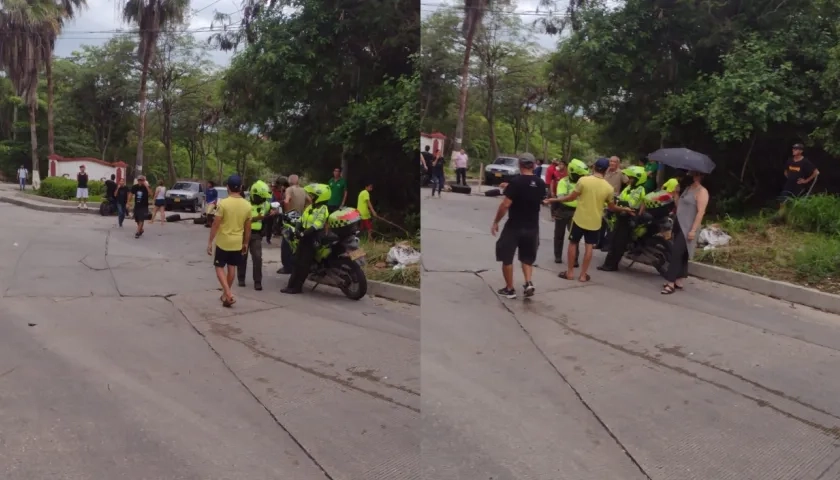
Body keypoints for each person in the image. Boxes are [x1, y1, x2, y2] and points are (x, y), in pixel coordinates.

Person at [546, 158, 634, 282]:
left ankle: (570, 273)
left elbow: (570, 198)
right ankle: (583, 275)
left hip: (579, 219)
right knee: (588, 247)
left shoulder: (583, 180)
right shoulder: (609, 188)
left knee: (573, 243)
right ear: (606, 170)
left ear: (594, 167)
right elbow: (612, 207)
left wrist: (553, 200)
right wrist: (624, 209)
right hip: (595, 222)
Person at [490, 153, 546, 299]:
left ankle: (510, 289)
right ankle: (528, 282)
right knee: (527, 257)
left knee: (506, 256)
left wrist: (496, 221)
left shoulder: (516, 182)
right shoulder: (540, 183)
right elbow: (535, 194)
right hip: (532, 227)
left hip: (514, 226)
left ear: (520, 165)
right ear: (534, 165)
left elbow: (505, 205)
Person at [207, 175, 252, 307]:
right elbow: (248, 228)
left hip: (223, 241)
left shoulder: (224, 204)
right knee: (232, 267)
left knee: (219, 267)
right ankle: (225, 296)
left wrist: (210, 241)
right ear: (241, 188)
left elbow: (216, 224)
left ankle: (228, 293)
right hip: (237, 242)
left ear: (228, 187)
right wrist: (245, 243)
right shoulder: (247, 205)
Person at [662, 171, 709, 295]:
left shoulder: (702, 192)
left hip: (688, 227)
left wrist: (693, 230)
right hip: (679, 223)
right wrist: (676, 193)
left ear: (701, 176)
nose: (693, 176)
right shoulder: (688, 189)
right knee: (682, 254)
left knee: (676, 253)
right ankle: (679, 280)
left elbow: (700, 212)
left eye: (696, 174)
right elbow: (679, 206)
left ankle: (670, 282)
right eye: (693, 174)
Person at [282, 183, 331, 295]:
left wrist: (303, 234)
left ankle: (297, 288)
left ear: (320, 197)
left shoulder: (323, 209)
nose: (311, 197)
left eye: (313, 195)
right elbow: (301, 219)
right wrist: (298, 229)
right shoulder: (310, 207)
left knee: (304, 264)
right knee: (296, 262)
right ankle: (290, 286)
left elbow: (316, 225)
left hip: (313, 238)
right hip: (304, 236)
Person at [599, 166, 647, 272]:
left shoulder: (640, 190)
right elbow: (620, 198)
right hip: (621, 215)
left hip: (629, 218)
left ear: (638, 179)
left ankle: (611, 265)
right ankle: (608, 264)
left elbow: (631, 204)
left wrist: (618, 202)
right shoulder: (629, 188)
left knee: (619, 243)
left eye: (631, 178)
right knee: (614, 240)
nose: (629, 180)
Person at [551, 159, 588, 266]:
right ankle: (558, 256)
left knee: (574, 237)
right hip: (562, 210)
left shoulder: (583, 184)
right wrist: (574, 198)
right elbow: (561, 197)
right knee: (559, 235)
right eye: (578, 175)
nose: (580, 177)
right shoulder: (563, 182)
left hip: (577, 212)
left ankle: (574, 259)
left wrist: (572, 198)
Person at [238, 180, 271, 290]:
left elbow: (268, 216)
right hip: (244, 233)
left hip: (257, 235)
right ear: (253, 194)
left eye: (263, 198)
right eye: (260, 197)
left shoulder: (266, 204)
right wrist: (258, 218)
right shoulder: (244, 204)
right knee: (243, 256)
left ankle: (258, 281)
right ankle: (241, 278)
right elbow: (243, 219)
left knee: (257, 258)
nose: (262, 200)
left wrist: (271, 215)